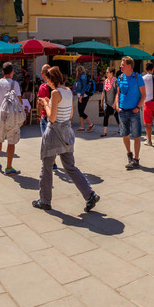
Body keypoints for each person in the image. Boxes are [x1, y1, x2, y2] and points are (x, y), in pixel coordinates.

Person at [34, 66, 99, 213]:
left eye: (48, 80)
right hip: (67, 132)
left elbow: (52, 117)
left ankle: (44, 201)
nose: (47, 83)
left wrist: (45, 104)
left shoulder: (55, 93)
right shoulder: (68, 91)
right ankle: (90, 194)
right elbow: (69, 115)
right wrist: (51, 104)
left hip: (54, 133)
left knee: (46, 167)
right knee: (70, 166)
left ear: (52, 79)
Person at [0, 62, 22, 175]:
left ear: (2, 72)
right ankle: (8, 167)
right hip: (12, 118)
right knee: (11, 142)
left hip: (0, 116)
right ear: (12, 72)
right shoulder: (14, 84)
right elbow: (19, 100)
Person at [115, 57, 146, 169]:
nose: (120, 66)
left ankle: (136, 160)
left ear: (129, 66)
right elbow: (118, 94)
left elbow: (144, 95)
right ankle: (129, 155)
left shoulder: (138, 77)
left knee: (136, 135)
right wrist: (117, 107)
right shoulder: (120, 77)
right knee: (125, 135)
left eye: (122, 64)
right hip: (122, 111)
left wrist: (138, 107)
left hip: (134, 111)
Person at [73, 68, 94, 133]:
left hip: (83, 96)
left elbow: (84, 87)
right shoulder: (81, 77)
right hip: (82, 96)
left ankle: (90, 124)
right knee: (80, 111)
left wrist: (81, 96)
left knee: (81, 112)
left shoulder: (83, 76)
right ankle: (82, 127)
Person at [100, 67, 118, 136]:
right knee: (106, 116)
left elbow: (117, 93)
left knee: (116, 115)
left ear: (111, 73)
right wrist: (102, 100)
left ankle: (120, 129)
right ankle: (104, 132)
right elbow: (103, 91)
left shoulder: (115, 81)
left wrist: (115, 103)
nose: (106, 73)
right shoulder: (105, 81)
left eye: (107, 72)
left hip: (114, 102)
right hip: (106, 102)